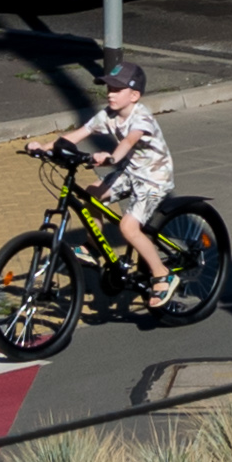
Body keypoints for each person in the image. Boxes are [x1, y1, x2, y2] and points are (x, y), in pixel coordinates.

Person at [35, 58, 178, 301]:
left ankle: (162, 274)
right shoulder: (108, 114)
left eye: (116, 89)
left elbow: (129, 141)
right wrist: (45, 148)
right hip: (131, 172)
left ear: (134, 95)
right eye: (108, 89)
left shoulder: (141, 117)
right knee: (92, 193)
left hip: (154, 177)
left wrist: (111, 158)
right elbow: (78, 134)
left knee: (128, 227)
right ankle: (92, 247)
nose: (110, 94)